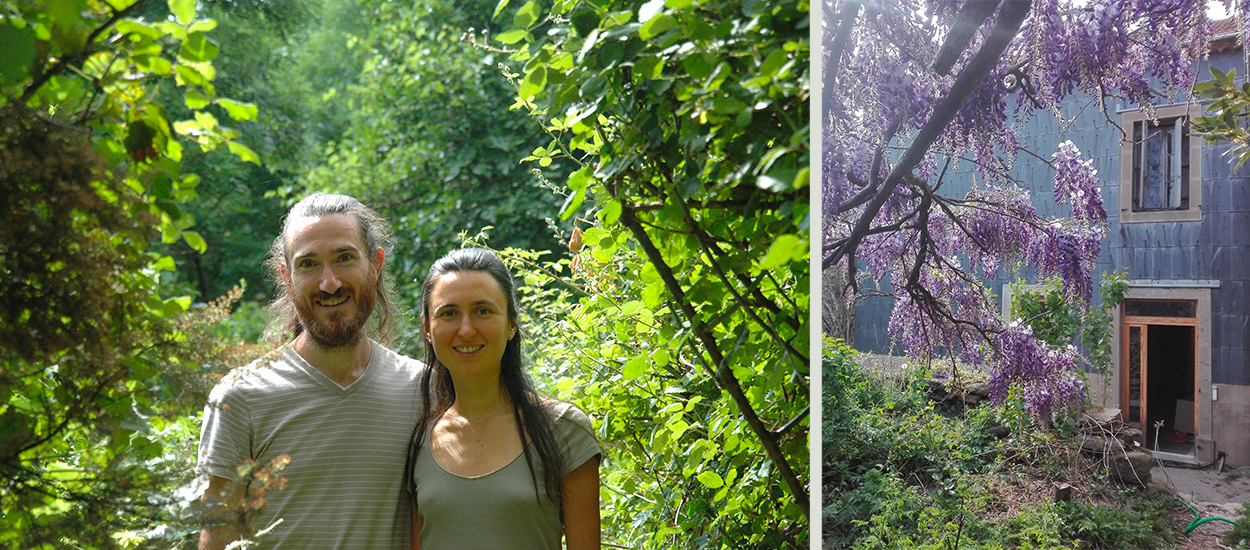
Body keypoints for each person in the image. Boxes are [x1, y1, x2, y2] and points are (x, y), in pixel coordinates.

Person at [197, 193, 423, 549]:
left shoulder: (421, 389)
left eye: (344, 258)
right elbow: (219, 535)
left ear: (375, 264)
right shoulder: (240, 398)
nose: (329, 282)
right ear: (286, 277)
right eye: (308, 264)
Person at [405, 247, 601, 550]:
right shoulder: (417, 440)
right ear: (427, 328)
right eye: (449, 313)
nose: (466, 329)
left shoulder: (562, 429)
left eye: (483, 311)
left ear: (512, 324)